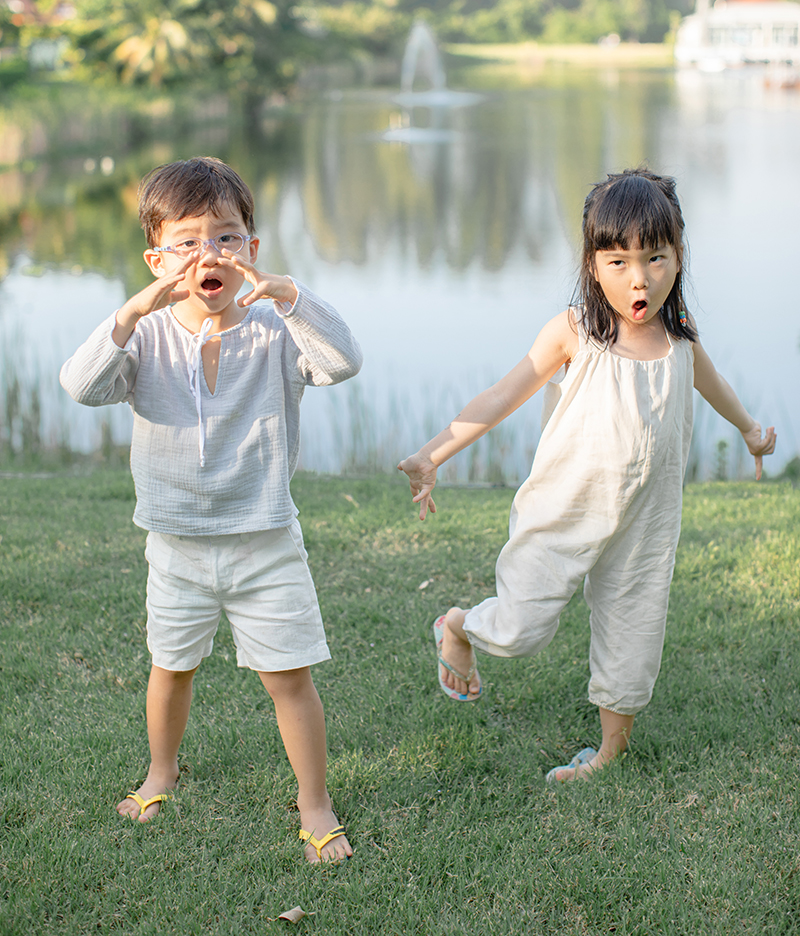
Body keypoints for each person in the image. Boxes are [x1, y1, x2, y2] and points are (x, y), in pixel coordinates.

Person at [398, 168, 775, 782]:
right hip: (565, 510)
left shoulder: (681, 338)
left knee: (635, 629)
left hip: (646, 521)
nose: (639, 279)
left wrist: (751, 430)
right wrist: (433, 454)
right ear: (592, 263)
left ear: (678, 256)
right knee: (520, 629)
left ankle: (607, 753)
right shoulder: (576, 332)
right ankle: (459, 626)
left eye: (656, 258)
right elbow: (501, 395)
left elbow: (717, 389)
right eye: (619, 261)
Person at [60, 156, 362, 861]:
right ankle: (161, 772)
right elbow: (80, 385)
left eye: (226, 238)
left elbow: (342, 361)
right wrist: (135, 308)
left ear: (251, 251)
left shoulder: (274, 330)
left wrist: (294, 300)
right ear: (158, 258)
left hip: (265, 541)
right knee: (171, 665)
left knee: (289, 678)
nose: (209, 254)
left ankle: (314, 801)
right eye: (188, 241)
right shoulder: (148, 335)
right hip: (177, 544)